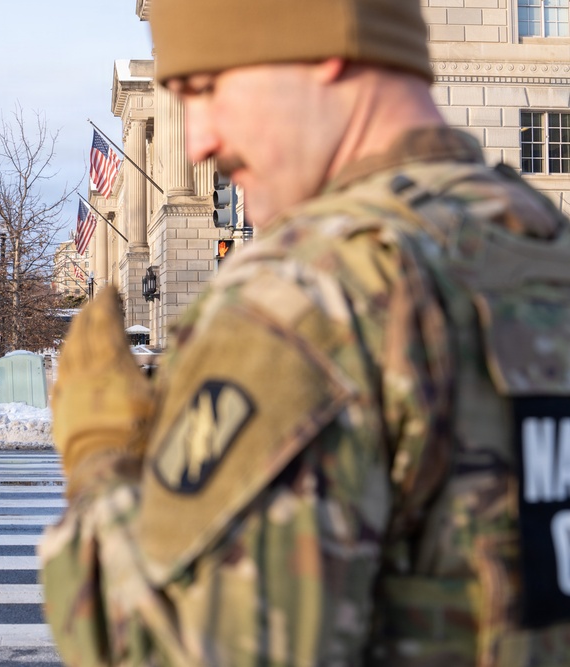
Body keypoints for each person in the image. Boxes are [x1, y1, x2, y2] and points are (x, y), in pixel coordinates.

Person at [39, 1, 570, 665]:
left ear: (323, 45)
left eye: (207, 89)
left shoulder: (304, 302)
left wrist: (100, 461)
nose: (199, 141)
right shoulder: (545, 247)